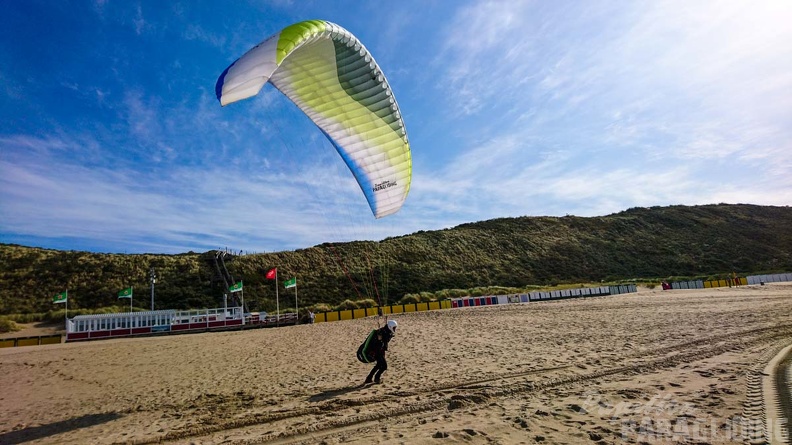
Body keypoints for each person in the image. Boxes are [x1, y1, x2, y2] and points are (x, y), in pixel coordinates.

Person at [365, 319, 397, 384]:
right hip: (377, 351)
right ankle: (377, 378)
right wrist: (380, 339)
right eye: (394, 328)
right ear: (390, 326)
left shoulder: (387, 331)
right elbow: (378, 343)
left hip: (380, 351)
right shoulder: (382, 332)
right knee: (384, 366)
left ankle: (369, 378)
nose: (394, 329)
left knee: (379, 365)